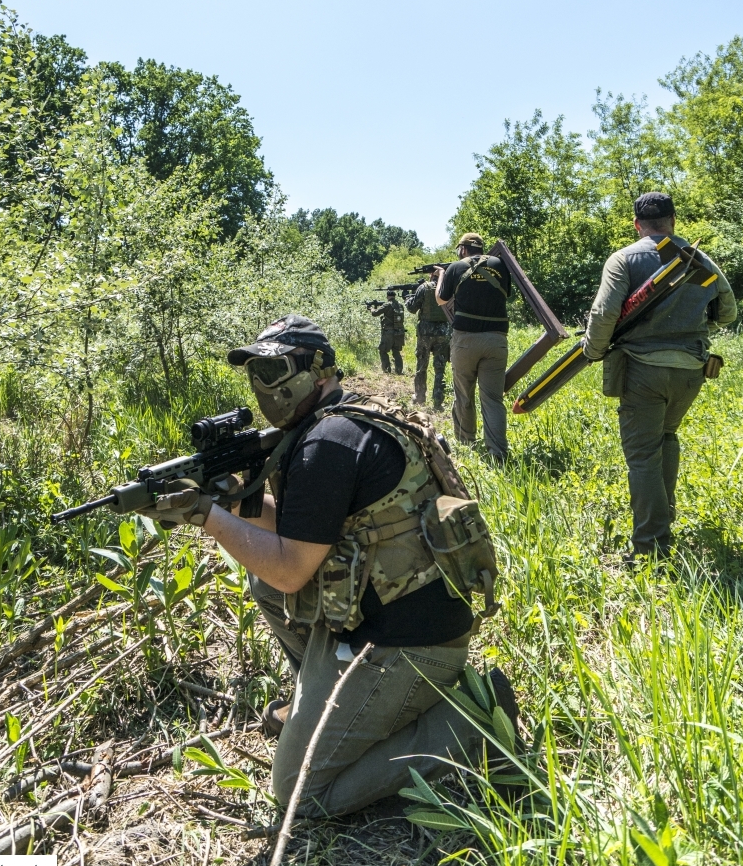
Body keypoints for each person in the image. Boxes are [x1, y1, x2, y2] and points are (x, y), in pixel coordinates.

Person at [135, 314, 518, 817]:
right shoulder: (349, 417)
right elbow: (305, 531)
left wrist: (204, 514)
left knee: (299, 793)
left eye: (275, 370)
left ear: (318, 369)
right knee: (264, 584)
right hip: (410, 617)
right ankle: (325, 704)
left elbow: (291, 569)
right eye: (255, 373)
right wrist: (230, 502)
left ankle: (473, 721)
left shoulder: (326, 443)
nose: (264, 387)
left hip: (410, 645)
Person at [583, 192, 737, 563]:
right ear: (673, 221)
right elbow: (728, 312)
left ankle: (650, 548)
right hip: (691, 372)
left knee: (642, 457)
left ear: (637, 224)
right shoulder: (700, 260)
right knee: (666, 437)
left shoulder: (624, 259)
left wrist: (593, 350)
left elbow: (604, 314)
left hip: (643, 371)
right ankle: (663, 521)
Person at [434, 234, 510, 463]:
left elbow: (441, 299)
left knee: (464, 394)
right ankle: (497, 453)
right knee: (493, 399)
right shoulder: (500, 264)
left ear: (463, 249)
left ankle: (466, 443)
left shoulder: (456, 267)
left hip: (465, 340)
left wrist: (441, 275)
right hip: (496, 339)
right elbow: (506, 293)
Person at [405, 268, 451, 409]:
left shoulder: (424, 288)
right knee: (440, 367)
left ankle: (419, 396)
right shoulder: (448, 289)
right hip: (443, 332)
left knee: (422, 365)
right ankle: (438, 401)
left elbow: (412, 308)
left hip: (425, 333)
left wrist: (407, 298)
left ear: (432, 274)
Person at [366, 288, 406, 374]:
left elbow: (375, 313)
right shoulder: (400, 305)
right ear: (394, 296)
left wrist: (371, 308)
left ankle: (387, 369)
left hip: (388, 332)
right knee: (396, 351)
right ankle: (399, 370)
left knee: (383, 350)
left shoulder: (387, 305)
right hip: (399, 332)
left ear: (387, 296)